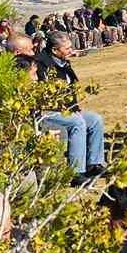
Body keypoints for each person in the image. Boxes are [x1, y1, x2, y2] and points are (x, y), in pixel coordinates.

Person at [32, 33, 108, 177]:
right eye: (67, 48)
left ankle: (94, 163)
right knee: (77, 123)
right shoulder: (42, 65)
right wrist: (70, 111)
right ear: (55, 50)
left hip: (68, 109)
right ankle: (75, 172)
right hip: (46, 112)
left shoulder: (64, 62)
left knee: (95, 119)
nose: (71, 51)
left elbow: (70, 89)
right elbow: (45, 96)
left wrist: (75, 108)